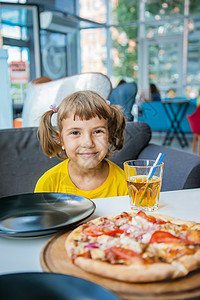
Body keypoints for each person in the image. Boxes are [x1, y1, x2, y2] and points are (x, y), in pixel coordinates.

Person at [34, 90, 128, 199]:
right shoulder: (48, 183)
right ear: (61, 139)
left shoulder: (125, 183)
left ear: (109, 135)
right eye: (75, 133)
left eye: (97, 131)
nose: (88, 143)